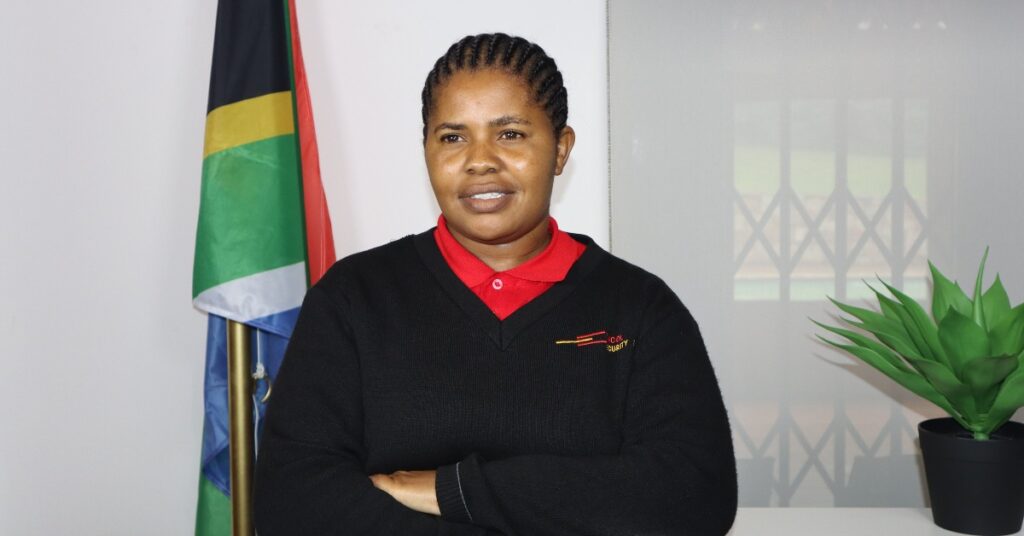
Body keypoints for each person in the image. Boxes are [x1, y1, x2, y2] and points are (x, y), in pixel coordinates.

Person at [254, 33, 737, 535]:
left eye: (510, 134)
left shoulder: (640, 308)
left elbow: (695, 495)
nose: (480, 160)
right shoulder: (353, 298)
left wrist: (455, 490)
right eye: (452, 137)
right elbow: (292, 502)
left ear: (560, 149)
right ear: (426, 151)